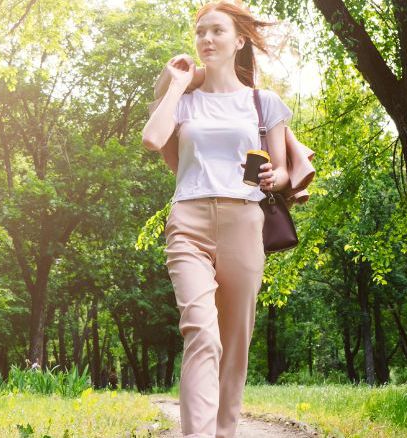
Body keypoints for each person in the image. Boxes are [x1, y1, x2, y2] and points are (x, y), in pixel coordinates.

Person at [139, 2, 291, 437]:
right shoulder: (185, 104)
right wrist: (177, 83)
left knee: (235, 340)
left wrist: (272, 176)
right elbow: (153, 139)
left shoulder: (265, 103)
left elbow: (280, 171)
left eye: (217, 32)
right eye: (201, 32)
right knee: (200, 332)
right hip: (188, 221)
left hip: (244, 221)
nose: (207, 39)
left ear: (239, 40)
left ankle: (226, 431)